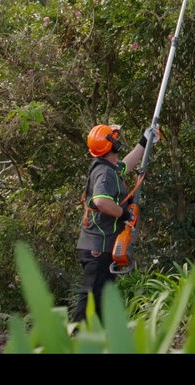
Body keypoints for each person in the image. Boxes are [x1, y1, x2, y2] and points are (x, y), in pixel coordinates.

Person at [71, 123, 158, 323]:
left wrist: (145, 141)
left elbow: (127, 164)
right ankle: (78, 340)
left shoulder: (110, 168)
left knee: (100, 299)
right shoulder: (104, 173)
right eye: (115, 137)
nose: (118, 139)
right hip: (97, 247)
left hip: (103, 245)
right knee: (91, 299)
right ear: (110, 144)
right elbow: (101, 201)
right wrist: (124, 214)